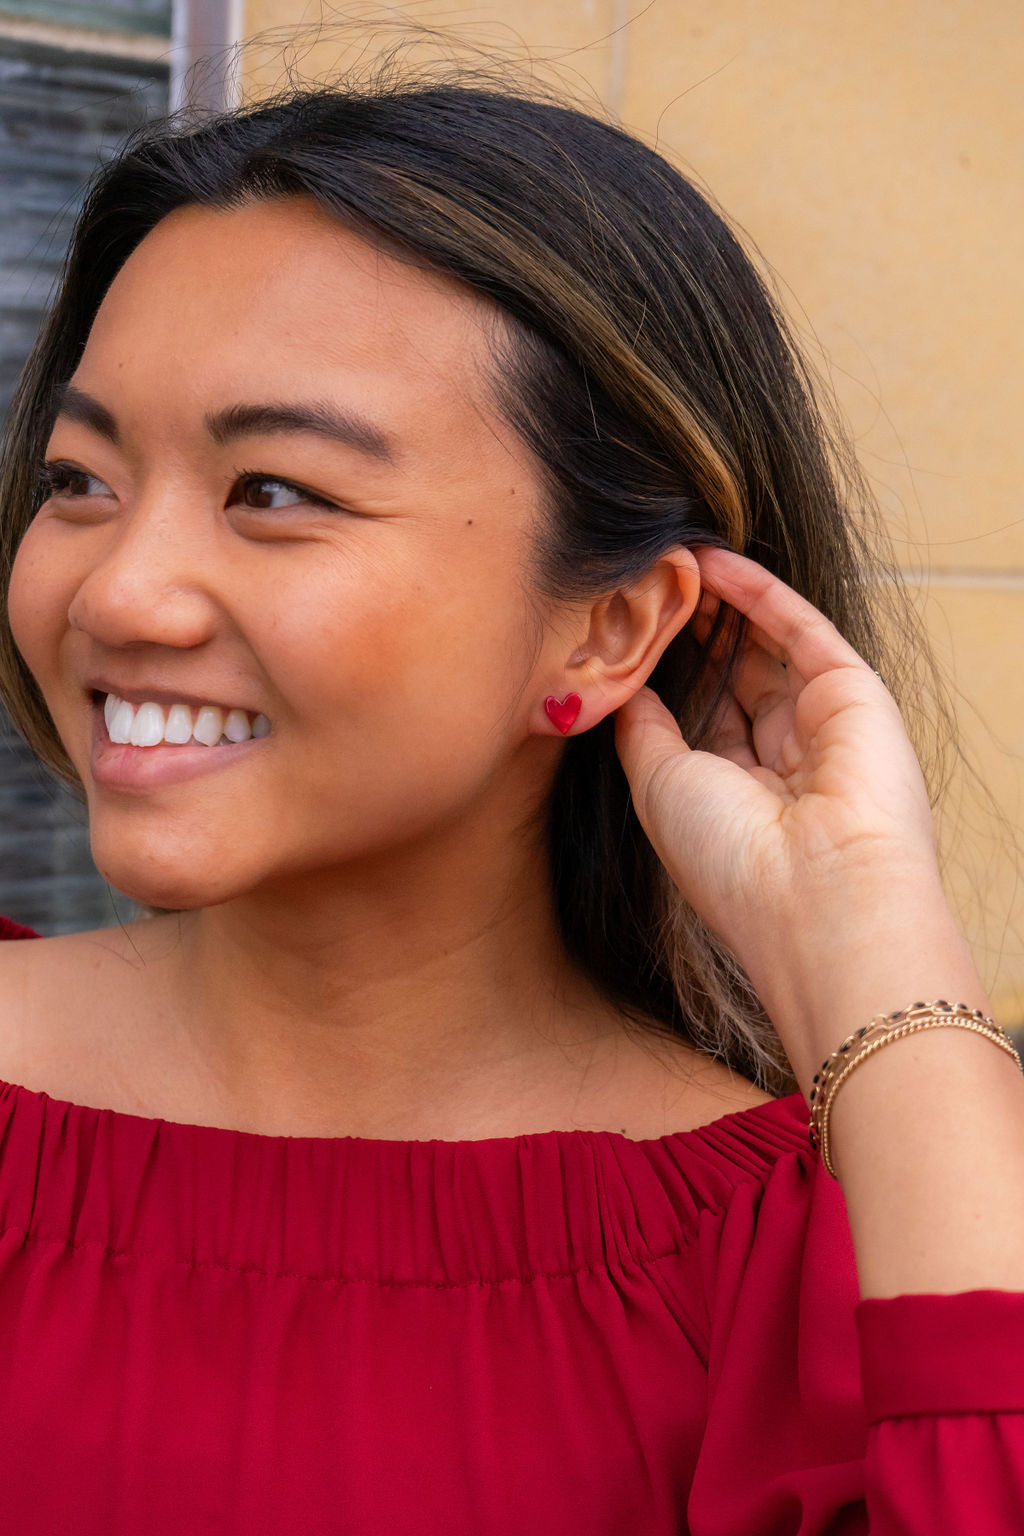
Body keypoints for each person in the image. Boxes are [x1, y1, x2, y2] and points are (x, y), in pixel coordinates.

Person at [0, 71, 1022, 1534]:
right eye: (80, 480)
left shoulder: (793, 1274)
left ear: (606, 633)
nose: (116, 590)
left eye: (273, 492)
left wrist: (878, 956)